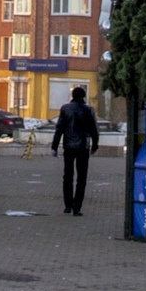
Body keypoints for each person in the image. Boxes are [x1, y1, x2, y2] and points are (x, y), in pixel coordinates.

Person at [50, 86, 99, 215]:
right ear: (83, 96)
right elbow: (94, 130)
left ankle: (68, 205)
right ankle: (77, 208)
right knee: (81, 178)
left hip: (69, 147)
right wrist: (95, 146)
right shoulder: (89, 110)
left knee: (68, 176)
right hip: (83, 147)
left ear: (72, 96)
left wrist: (54, 147)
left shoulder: (65, 109)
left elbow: (59, 129)